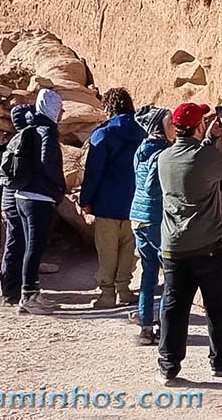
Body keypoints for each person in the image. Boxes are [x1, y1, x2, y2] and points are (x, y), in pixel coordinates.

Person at [156, 103, 222, 384]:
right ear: (198, 126)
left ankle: (168, 365)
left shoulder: (164, 157)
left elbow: (194, 163)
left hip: (173, 245)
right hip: (207, 244)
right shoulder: (204, 156)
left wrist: (208, 138)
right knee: (217, 304)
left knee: (174, 306)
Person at [81, 88, 146, 309]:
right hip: (136, 201)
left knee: (108, 249)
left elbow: (93, 171)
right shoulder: (143, 131)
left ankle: (107, 294)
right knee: (129, 247)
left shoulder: (104, 133)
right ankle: (125, 290)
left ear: (108, 106)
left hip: (107, 202)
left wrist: (86, 199)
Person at [15, 88, 66, 316]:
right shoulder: (47, 131)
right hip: (39, 198)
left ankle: (32, 293)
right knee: (35, 248)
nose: (62, 113)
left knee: (30, 248)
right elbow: (49, 164)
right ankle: (28, 297)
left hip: (23, 196)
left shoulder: (31, 126)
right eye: (60, 109)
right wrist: (59, 188)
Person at [130, 105, 176, 345]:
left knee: (148, 274)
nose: (175, 128)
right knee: (170, 274)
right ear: (158, 127)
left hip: (137, 217)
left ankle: (146, 327)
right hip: (154, 219)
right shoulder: (159, 153)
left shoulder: (142, 149)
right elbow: (151, 187)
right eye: (170, 124)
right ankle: (166, 327)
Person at [0, 103, 34, 306]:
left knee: (15, 245)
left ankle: (11, 289)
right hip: (17, 200)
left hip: (8, 200)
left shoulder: (14, 140)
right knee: (17, 245)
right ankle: (12, 291)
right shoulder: (24, 140)